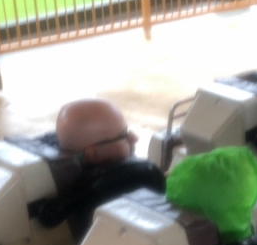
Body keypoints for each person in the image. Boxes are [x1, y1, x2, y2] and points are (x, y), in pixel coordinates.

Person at [34, 98, 165, 237]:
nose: (134, 138)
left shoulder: (49, 170)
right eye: (124, 136)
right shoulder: (140, 175)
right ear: (94, 154)